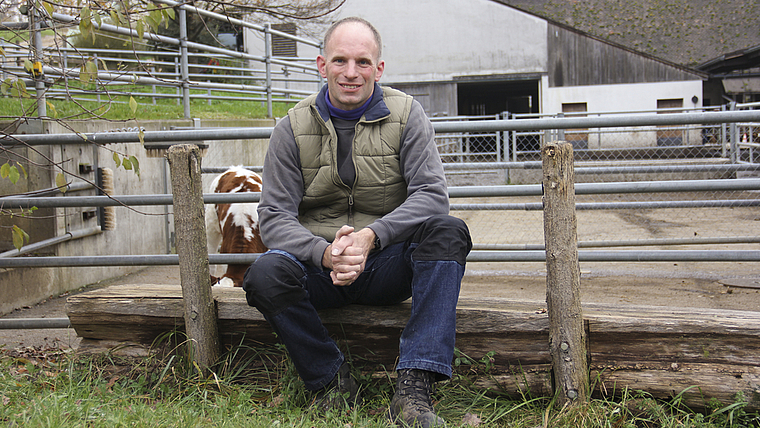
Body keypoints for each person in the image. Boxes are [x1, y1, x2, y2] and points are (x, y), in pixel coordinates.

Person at [243, 16, 471, 428]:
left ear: (379, 68)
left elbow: (433, 195)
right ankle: (330, 381)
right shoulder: (290, 128)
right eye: (340, 60)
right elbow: (274, 216)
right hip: (318, 270)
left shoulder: (407, 116)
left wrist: (371, 236)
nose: (351, 73)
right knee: (264, 274)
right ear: (321, 64)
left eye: (363, 62)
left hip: (386, 265)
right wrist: (324, 253)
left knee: (449, 230)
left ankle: (413, 388)